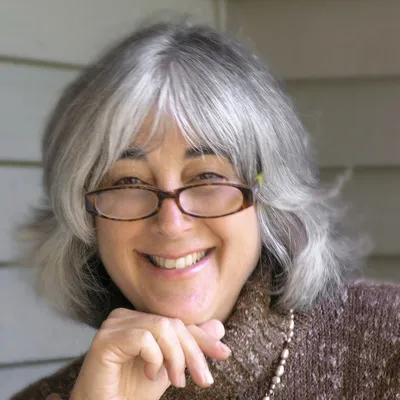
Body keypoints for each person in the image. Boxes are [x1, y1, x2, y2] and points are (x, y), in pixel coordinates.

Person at [11, 19, 399, 400]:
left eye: (207, 178)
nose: (171, 223)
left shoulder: (388, 345)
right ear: (84, 216)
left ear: (269, 196)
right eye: (128, 182)